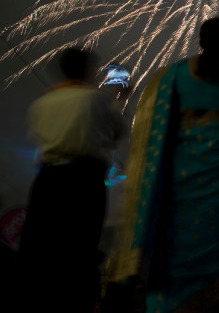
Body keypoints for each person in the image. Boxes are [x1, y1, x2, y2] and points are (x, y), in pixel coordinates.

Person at [106, 16, 219, 312]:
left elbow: (156, 125)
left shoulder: (174, 76)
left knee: (173, 249)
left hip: (180, 180)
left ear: (201, 42)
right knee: (214, 259)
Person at [19, 46, 127, 312]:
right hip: (84, 180)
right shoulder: (96, 99)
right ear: (87, 71)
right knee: (80, 250)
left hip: (47, 179)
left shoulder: (42, 102)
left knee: (38, 250)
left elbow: (38, 135)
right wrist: (121, 98)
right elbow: (117, 131)